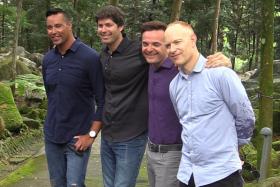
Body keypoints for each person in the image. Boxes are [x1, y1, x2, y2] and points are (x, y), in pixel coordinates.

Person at [140, 21, 232, 187]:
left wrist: (224, 63)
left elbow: (200, 65)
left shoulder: (180, 69)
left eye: (157, 44)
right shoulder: (148, 64)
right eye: (145, 44)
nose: (149, 48)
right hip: (151, 150)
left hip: (175, 153)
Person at [164, 21, 255, 187]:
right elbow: (185, 122)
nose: (172, 49)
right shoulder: (174, 86)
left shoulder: (221, 75)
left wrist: (231, 147)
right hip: (187, 174)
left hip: (222, 174)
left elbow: (246, 117)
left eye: (177, 42)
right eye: (168, 45)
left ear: (193, 39)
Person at [42, 8, 104, 187]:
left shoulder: (90, 58)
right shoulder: (47, 60)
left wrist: (91, 135)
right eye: (49, 27)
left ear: (69, 25)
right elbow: (51, 95)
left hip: (78, 138)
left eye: (58, 26)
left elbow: (102, 100)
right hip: (52, 136)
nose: (53, 31)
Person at [95, 5, 149, 187]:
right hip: (108, 133)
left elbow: (171, 59)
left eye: (108, 25)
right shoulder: (103, 55)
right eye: (100, 25)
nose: (103, 30)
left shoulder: (140, 50)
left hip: (132, 135)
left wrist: (210, 62)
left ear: (120, 26)